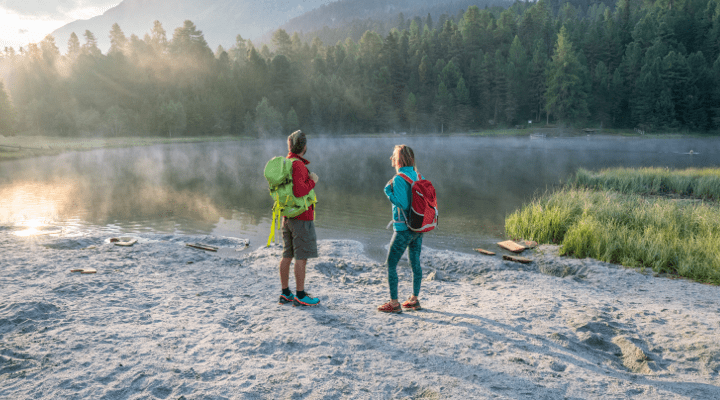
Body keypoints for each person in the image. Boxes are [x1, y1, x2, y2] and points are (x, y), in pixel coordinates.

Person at [378, 144, 424, 313]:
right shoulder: (418, 175)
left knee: (390, 264)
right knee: (415, 263)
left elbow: (403, 204)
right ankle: (414, 300)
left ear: (400, 159)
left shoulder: (398, 179)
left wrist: (388, 192)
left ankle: (394, 303)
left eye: (393, 156)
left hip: (403, 229)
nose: (391, 158)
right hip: (418, 228)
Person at [277, 130, 321, 307]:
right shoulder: (298, 165)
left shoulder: (286, 163)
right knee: (301, 257)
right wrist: (313, 181)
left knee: (287, 255)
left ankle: (285, 293)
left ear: (290, 146)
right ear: (303, 146)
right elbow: (300, 191)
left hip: (287, 216)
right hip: (301, 217)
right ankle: (300, 296)